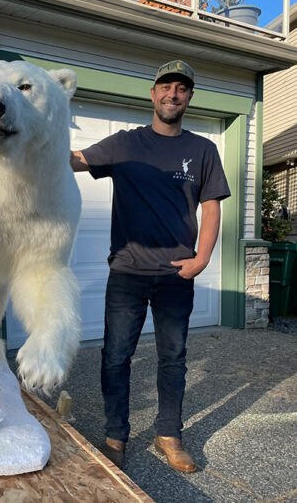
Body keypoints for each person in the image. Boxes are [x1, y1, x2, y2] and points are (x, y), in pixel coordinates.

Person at [70, 60, 231, 472]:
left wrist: (201, 259)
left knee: (173, 358)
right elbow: (73, 160)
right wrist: (29, 137)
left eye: (181, 88)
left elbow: (211, 208)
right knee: (115, 357)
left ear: (189, 97)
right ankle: (115, 436)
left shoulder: (202, 151)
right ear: (152, 93)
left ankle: (168, 434)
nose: (172, 94)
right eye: (165, 87)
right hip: (127, 272)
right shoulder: (125, 145)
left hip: (176, 275)